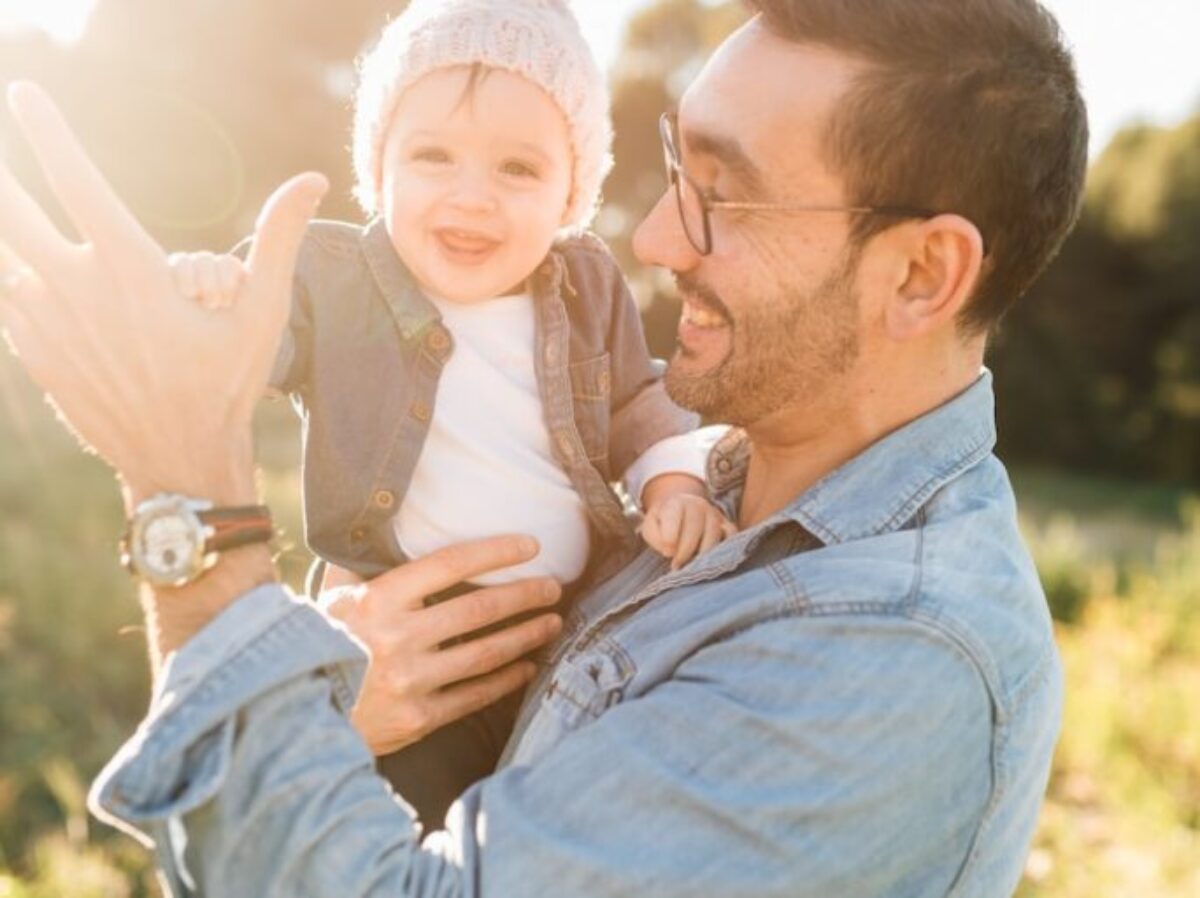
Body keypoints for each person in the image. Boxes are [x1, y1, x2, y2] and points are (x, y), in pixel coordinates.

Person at [0, 0, 1088, 895]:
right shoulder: (723, 474)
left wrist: (189, 489)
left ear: (921, 275)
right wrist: (333, 706)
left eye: (724, 196)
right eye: (677, 169)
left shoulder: (888, 653)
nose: (653, 238)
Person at [163, 0, 733, 828]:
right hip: (410, 639)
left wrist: (673, 485)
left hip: (567, 632)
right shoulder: (334, 280)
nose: (472, 199)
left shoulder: (586, 285)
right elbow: (246, 345)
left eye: (518, 169)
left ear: (570, 194)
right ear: (380, 168)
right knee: (417, 825)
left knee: (562, 831)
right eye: (432, 156)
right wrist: (211, 298)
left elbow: (634, 399)